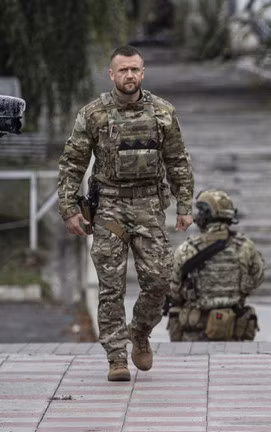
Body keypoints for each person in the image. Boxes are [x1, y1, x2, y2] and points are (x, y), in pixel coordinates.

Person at [57, 45, 194, 381]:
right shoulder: (94, 114)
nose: (129, 76)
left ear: (142, 73)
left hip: (149, 205)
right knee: (110, 286)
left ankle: (140, 331)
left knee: (160, 280)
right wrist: (69, 207)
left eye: (135, 70)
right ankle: (116, 356)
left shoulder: (163, 112)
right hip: (109, 209)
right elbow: (72, 162)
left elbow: (178, 160)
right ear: (112, 74)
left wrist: (185, 204)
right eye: (123, 70)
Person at [167, 189, 265, 341]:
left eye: (200, 212)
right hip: (234, 329)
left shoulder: (187, 248)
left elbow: (173, 290)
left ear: (207, 215)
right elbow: (256, 279)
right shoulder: (246, 247)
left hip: (194, 331)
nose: (197, 216)